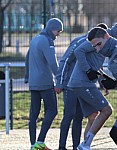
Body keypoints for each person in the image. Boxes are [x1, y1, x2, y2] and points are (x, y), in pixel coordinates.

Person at [66, 21, 117, 150]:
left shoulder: (106, 42)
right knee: (107, 110)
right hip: (82, 83)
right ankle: (85, 144)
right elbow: (78, 51)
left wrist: (102, 81)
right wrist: (87, 70)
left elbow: (96, 64)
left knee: (92, 116)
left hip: (80, 83)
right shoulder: (101, 39)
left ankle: (85, 146)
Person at [55, 23, 109, 150]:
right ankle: (61, 146)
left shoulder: (96, 45)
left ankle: (76, 146)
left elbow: (96, 65)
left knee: (78, 117)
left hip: (83, 85)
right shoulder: (80, 42)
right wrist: (59, 82)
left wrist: (103, 83)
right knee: (69, 115)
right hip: (70, 84)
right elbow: (65, 60)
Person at [25, 18, 63, 150]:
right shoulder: (47, 41)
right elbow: (53, 62)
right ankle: (40, 142)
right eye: (58, 31)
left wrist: (27, 77)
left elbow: (27, 58)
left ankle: (32, 144)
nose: (58, 34)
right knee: (52, 110)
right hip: (45, 82)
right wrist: (60, 79)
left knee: (34, 114)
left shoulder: (35, 39)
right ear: (52, 28)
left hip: (33, 82)